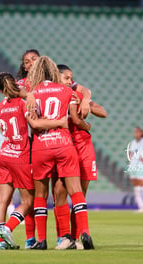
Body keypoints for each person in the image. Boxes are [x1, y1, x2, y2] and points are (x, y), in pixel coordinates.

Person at [0, 72, 68, 249]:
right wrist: (58, 122)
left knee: (2, 200)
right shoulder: (23, 103)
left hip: (4, 154)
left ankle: (1, 242)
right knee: (29, 201)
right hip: (20, 155)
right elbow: (35, 123)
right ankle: (8, 228)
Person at [27, 56, 94, 250]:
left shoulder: (32, 94)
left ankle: (41, 240)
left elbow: (34, 123)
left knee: (41, 194)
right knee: (76, 191)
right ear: (55, 73)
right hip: (65, 145)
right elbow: (75, 116)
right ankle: (84, 232)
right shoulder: (67, 91)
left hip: (41, 146)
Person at [52, 64, 106, 249]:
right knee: (59, 191)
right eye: (66, 78)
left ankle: (76, 237)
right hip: (62, 146)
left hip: (82, 145)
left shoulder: (76, 93)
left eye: (70, 78)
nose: (70, 81)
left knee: (79, 194)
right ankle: (64, 236)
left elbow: (102, 112)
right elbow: (75, 120)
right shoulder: (51, 96)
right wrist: (86, 124)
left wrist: (87, 104)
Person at [16, 49, 91, 119]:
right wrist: (28, 95)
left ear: (41, 62)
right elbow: (16, 90)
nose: (31, 63)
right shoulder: (23, 83)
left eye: (34, 59)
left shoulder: (53, 78)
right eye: (27, 62)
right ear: (25, 67)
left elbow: (84, 90)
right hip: (34, 122)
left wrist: (84, 101)